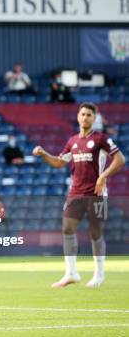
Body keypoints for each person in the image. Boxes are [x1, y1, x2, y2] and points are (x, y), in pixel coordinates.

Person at [32, 102, 125, 288]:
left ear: (94, 118)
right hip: (75, 193)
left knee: (95, 233)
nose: (85, 117)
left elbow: (120, 159)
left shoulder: (101, 139)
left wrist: (103, 176)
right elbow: (59, 162)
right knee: (67, 228)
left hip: (96, 194)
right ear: (78, 116)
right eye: (82, 114)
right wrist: (43, 154)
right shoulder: (72, 141)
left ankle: (99, 274)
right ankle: (71, 272)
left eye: (89, 115)